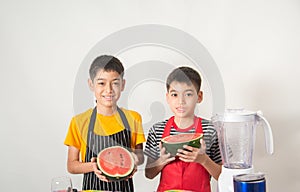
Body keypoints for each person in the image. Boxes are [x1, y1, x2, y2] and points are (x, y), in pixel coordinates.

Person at [64, 55, 145, 192]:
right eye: (101, 83)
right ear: (91, 84)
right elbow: (71, 166)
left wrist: (132, 164)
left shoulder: (133, 118)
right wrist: (94, 166)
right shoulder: (79, 121)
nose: (109, 90)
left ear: (123, 85)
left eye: (115, 83)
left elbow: (139, 156)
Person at [144, 66, 222, 192]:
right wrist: (161, 162)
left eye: (188, 94)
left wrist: (204, 160)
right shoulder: (157, 130)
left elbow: (222, 176)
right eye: (174, 94)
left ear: (199, 96)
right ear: (167, 97)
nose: (181, 101)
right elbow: (149, 174)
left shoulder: (211, 130)